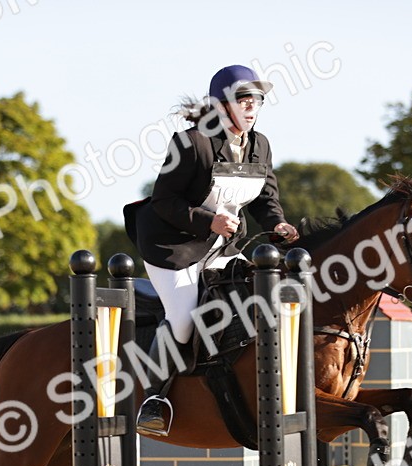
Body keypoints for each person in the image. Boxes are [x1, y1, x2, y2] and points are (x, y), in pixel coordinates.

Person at [127, 64, 298, 436]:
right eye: (243, 99)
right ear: (221, 106)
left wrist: (278, 224)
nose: (252, 107)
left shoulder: (260, 144)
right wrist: (208, 222)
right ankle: (152, 401)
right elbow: (163, 200)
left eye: (256, 100)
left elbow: (265, 198)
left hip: (223, 245)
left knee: (256, 298)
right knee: (183, 318)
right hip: (173, 246)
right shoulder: (191, 143)